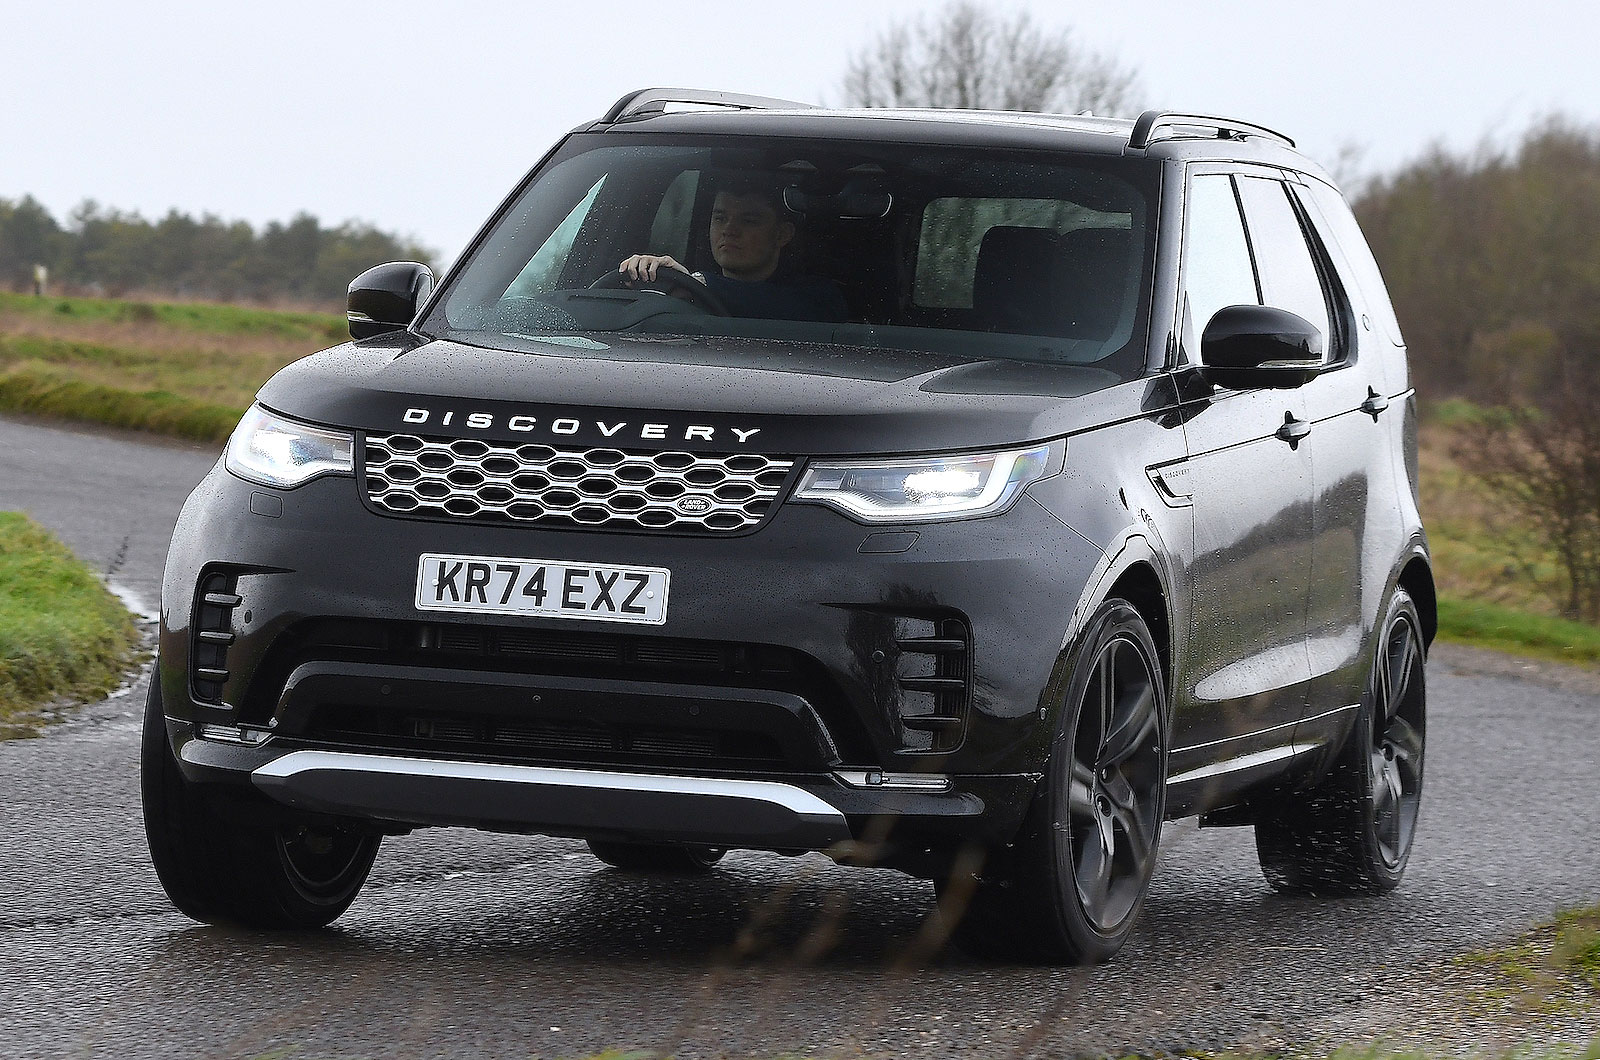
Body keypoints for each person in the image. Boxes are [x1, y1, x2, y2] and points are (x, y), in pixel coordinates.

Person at [616, 180, 848, 322]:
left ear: (782, 235)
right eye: (720, 218)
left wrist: (697, 284)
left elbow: (797, 310)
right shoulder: (683, 291)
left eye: (748, 221)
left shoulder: (819, 297)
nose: (729, 230)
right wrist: (642, 274)